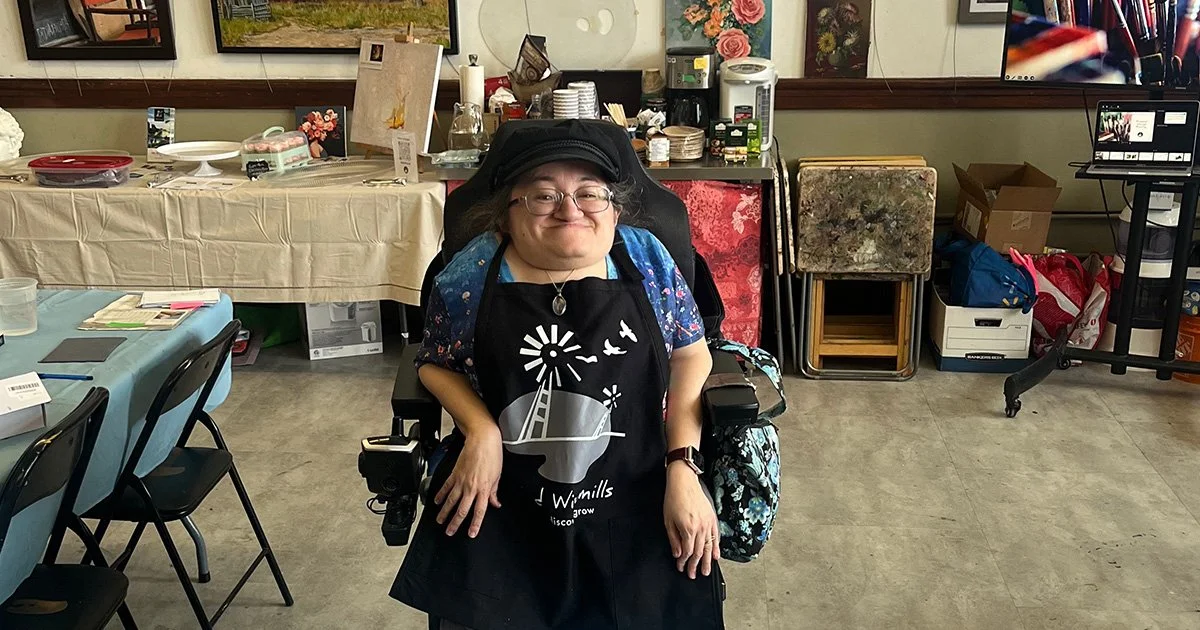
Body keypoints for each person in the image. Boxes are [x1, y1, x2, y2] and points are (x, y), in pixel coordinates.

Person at [390, 122, 725, 630]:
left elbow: (691, 357)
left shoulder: (646, 258)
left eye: (590, 193)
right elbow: (435, 361)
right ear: (508, 211)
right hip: (502, 503)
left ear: (614, 207)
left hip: (635, 495)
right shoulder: (472, 270)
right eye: (544, 195)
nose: (570, 209)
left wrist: (683, 466)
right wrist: (481, 430)